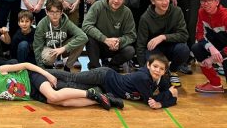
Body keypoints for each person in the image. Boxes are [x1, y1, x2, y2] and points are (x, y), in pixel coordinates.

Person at [0, 60, 114, 110]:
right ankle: (98, 100)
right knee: (63, 103)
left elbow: (26, 65)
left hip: (31, 78)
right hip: (33, 95)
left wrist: (46, 74)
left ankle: (90, 93)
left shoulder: (1, 71)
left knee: (53, 96)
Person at [50, 53, 178, 109]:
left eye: (161, 69)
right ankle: (43, 72)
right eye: (155, 66)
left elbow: (173, 98)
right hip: (104, 76)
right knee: (72, 77)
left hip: (105, 89)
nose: (157, 70)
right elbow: (149, 99)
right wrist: (167, 95)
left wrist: (161, 103)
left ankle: (46, 85)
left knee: (73, 85)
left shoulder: (162, 79)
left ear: (165, 71)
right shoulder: (143, 77)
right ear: (148, 65)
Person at [136, 0, 189, 87]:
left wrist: (163, 37)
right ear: (153, 1)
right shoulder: (145, 18)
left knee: (184, 49)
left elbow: (184, 35)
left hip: (172, 46)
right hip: (154, 50)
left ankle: (173, 71)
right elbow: (140, 45)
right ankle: (162, 73)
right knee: (152, 63)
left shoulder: (177, 11)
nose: (165, 2)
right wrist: (143, 69)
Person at [82, 0, 136, 71]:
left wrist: (119, 41)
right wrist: (105, 39)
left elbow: (131, 35)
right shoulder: (97, 6)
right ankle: (95, 66)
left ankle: (112, 65)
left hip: (116, 46)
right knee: (88, 38)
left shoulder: (127, 12)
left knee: (130, 50)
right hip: (99, 45)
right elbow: (86, 25)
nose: (116, 1)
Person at [33, 0, 87, 71]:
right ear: (46, 12)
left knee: (81, 41)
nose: (55, 15)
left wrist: (64, 48)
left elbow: (83, 36)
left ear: (61, 12)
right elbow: (37, 48)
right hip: (49, 49)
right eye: (52, 12)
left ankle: (67, 67)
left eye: (57, 12)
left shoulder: (66, 22)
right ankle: (48, 68)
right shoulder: (41, 25)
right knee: (49, 57)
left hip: (62, 48)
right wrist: (42, 69)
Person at [191, 0, 227, 93]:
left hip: (225, 49)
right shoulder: (201, 12)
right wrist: (210, 48)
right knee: (196, 48)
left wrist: (213, 58)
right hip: (215, 47)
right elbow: (199, 35)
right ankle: (215, 84)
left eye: (209, 0)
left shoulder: (225, 16)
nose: (205, 4)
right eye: (202, 1)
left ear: (217, 1)